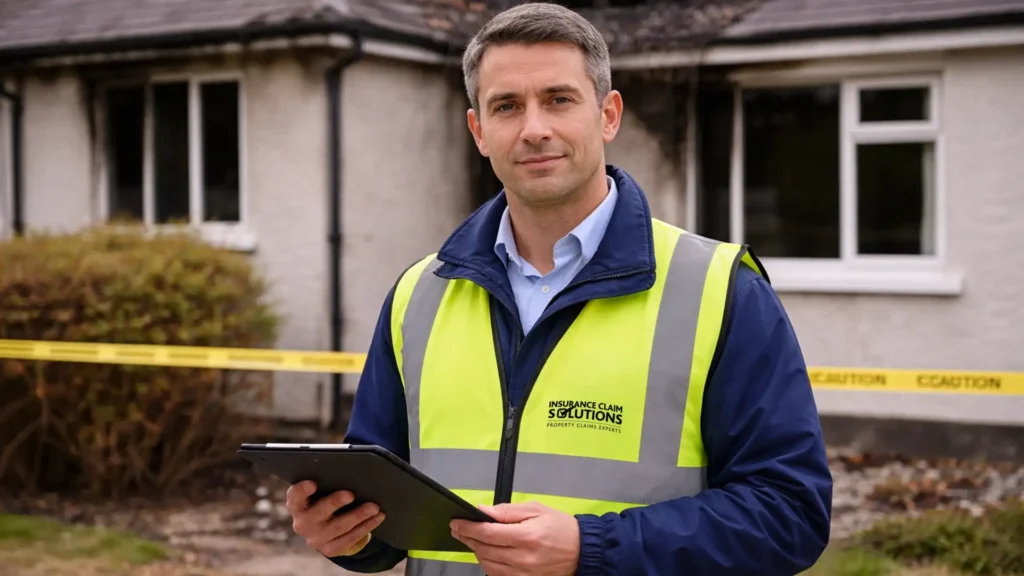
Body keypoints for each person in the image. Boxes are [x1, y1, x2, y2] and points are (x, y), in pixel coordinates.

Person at [284, 2, 833, 575]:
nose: (535, 128)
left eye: (559, 99)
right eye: (507, 106)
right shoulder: (418, 295)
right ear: (479, 131)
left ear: (608, 115)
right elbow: (384, 511)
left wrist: (591, 547)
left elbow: (788, 514)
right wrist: (347, 534)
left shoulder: (721, 290)